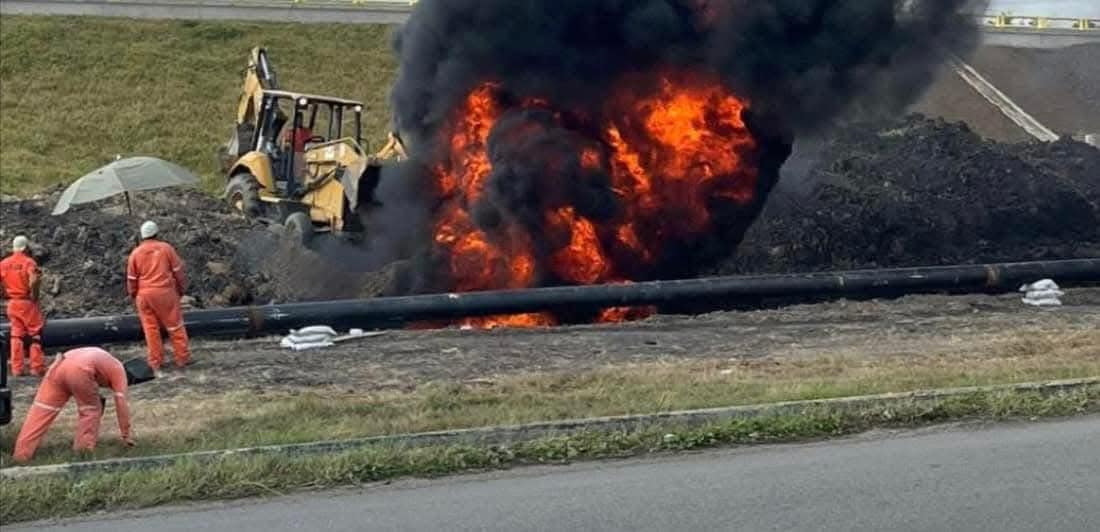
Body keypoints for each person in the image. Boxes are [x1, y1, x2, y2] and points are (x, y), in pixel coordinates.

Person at [12, 347, 140, 463]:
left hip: (59, 364)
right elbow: (121, 403)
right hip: (80, 369)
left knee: (41, 411)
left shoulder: (107, 361)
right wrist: (126, 435)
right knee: (91, 411)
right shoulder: (119, 371)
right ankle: (82, 454)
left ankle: (21, 456)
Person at [127, 221, 190, 371]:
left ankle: (155, 361)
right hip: (165, 293)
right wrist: (181, 290)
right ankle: (182, 358)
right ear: (157, 233)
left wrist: (133, 294)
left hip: (144, 296)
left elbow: (131, 279)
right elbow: (178, 272)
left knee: (150, 329)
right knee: (175, 326)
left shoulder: (135, 253)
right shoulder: (166, 249)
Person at [1, 235, 46, 377]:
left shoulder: (4, 263)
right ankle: (36, 367)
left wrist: (4, 294)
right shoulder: (29, 262)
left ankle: (17, 368)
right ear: (26, 247)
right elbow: (34, 281)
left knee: (16, 335)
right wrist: (35, 296)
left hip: (13, 303)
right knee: (35, 335)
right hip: (27, 302)